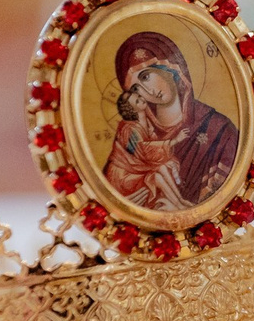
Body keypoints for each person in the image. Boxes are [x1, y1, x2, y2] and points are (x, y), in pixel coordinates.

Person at [103, 31, 240, 211]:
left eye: (146, 77)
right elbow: (117, 181)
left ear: (170, 67)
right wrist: (123, 204)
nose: (147, 91)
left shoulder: (220, 131)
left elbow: (220, 203)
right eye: (136, 88)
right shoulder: (134, 133)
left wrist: (183, 211)